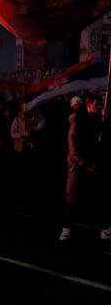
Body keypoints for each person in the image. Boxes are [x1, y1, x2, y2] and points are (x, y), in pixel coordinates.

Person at [59, 94, 99, 242]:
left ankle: (101, 228)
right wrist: (85, 164)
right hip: (77, 165)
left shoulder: (89, 122)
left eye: (80, 104)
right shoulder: (74, 126)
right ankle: (66, 229)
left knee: (91, 195)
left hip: (86, 164)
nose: (79, 106)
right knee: (72, 196)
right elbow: (73, 150)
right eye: (76, 104)